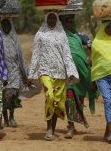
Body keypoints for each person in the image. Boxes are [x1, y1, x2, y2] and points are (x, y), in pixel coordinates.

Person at [28, 12, 79, 141]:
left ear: (57, 20)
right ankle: (49, 128)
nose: (51, 20)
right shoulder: (40, 34)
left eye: (54, 18)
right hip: (45, 71)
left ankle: (52, 130)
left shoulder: (62, 35)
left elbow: (67, 54)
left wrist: (71, 71)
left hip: (60, 74)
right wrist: (32, 74)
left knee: (57, 103)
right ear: (45, 19)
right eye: (49, 18)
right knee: (49, 96)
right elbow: (35, 54)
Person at [60, 15, 98, 138]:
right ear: (63, 23)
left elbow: (93, 46)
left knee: (79, 99)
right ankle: (71, 126)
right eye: (67, 21)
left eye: (71, 21)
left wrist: (91, 60)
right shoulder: (60, 36)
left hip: (82, 73)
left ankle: (75, 121)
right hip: (68, 73)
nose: (70, 23)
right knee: (69, 97)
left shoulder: (79, 36)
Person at [0, 18, 29, 127]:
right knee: (4, 96)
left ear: (11, 25)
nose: (6, 26)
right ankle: (6, 119)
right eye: (4, 24)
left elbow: (21, 58)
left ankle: (12, 116)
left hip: (15, 72)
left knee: (13, 96)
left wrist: (25, 75)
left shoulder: (15, 39)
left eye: (8, 24)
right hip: (3, 72)